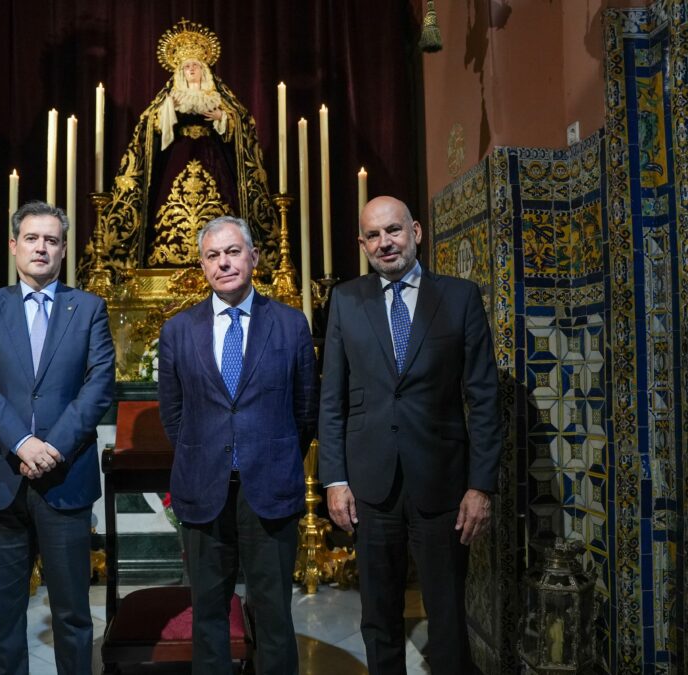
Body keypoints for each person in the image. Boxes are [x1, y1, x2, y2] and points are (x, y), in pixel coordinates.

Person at [317, 196, 502, 675]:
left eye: (393, 231)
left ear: (416, 232)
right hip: (370, 486)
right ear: (362, 244)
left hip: (442, 483)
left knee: (445, 616)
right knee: (378, 616)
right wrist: (334, 479)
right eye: (373, 236)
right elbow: (331, 397)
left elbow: (484, 398)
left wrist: (480, 486)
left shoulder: (460, 297)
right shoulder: (345, 300)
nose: (385, 243)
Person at [0, 200, 116, 675]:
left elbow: (100, 382)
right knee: (4, 616)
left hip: (65, 478)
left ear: (63, 249)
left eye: (51, 239)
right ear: (13, 246)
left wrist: (54, 446)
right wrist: (21, 442)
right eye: (32, 238)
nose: (41, 247)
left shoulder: (88, 308)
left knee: (72, 614)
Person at [157, 215, 318, 674]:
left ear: (254, 257)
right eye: (212, 255)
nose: (223, 263)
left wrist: (264, 450)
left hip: (269, 488)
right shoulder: (178, 331)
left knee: (273, 613)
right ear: (202, 265)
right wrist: (207, 450)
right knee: (208, 613)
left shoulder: (289, 325)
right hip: (203, 488)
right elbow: (173, 414)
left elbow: (305, 409)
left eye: (232, 252)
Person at [81, 19, 279, 280]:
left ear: (204, 69)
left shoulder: (219, 96)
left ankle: (222, 256)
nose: (192, 70)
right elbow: (149, 128)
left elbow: (242, 125)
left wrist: (222, 117)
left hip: (214, 160)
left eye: (196, 66)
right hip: (177, 157)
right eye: (187, 67)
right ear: (180, 71)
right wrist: (168, 112)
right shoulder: (169, 97)